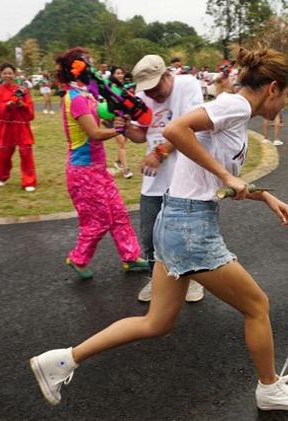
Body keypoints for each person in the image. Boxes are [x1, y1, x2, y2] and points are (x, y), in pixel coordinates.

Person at [30, 47, 288, 412]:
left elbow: (210, 179)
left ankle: (61, 361)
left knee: (156, 323)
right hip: (190, 227)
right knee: (257, 305)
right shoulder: (237, 106)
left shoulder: (233, 113)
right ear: (274, 87)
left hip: (175, 218)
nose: (286, 102)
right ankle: (269, 388)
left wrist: (264, 197)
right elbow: (176, 130)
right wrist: (227, 175)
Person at [52, 47, 148, 279]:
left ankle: (131, 256)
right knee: (98, 219)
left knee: (117, 212)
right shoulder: (73, 98)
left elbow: (102, 111)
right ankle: (78, 258)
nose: (94, 68)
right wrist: (118, 130)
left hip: (97, 168)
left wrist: (122, 108)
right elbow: (94, 133)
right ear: (77, 69)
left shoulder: (86, 93)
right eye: (89, 64)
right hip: (82, 171)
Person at [123, 54, 206, 303]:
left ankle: (190, 281)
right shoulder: (143, 97)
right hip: (154, 182)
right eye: (147, 90)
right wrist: (124, 126)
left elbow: (190, 127)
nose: (153, 95)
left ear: (167, 75)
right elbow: (140, 136)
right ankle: (156, 281)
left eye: (156, 87)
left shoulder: (188, 85)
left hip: (186, 177)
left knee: (186, 234)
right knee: (149, 237)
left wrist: (159, 153)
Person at [0, 63, 37, 191]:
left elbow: (30, 111)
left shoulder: (23, 90)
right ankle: (2, 176)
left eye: (10, 73)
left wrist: (22, 105)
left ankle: (29, 181)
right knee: (4, 153)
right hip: (5, 126)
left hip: (21, 125)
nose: (7, 75)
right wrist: (8, 105)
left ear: (15, 74)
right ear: (0, 74)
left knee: (26, 153)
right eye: (5, 73)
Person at [108, 65, 133, 179]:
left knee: (124, 141)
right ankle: (125, 170)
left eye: (121, 73)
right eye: (118, 73)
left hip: (123, 118)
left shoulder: (123, 87)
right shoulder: (108, 88)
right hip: (112, 119)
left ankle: (118, 161)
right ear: (113, 75)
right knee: (122, 143)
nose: (120, 75)